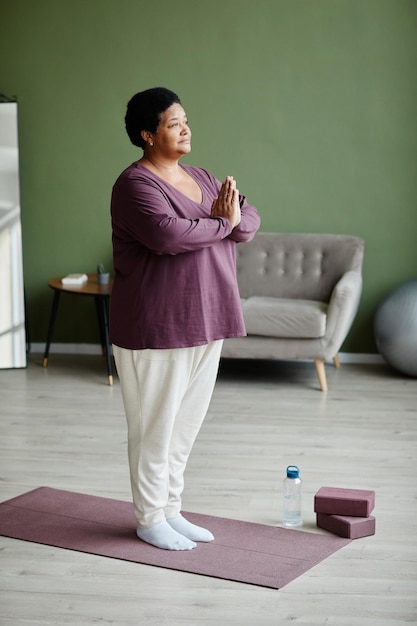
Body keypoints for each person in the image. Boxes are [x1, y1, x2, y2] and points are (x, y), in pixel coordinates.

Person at [110, 87, 260, 551]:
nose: (186, 129)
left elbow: (250, 220)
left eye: (185, 120)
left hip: (207, 316)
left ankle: (170, 509)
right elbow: (166, 236)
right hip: (157, 325)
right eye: (175, 124)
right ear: (147, 134)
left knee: (185, 425)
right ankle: (149, 517)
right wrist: (221, 224)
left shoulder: (202, 176)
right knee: (155, 427)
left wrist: (229, 219)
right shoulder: (135, 185)